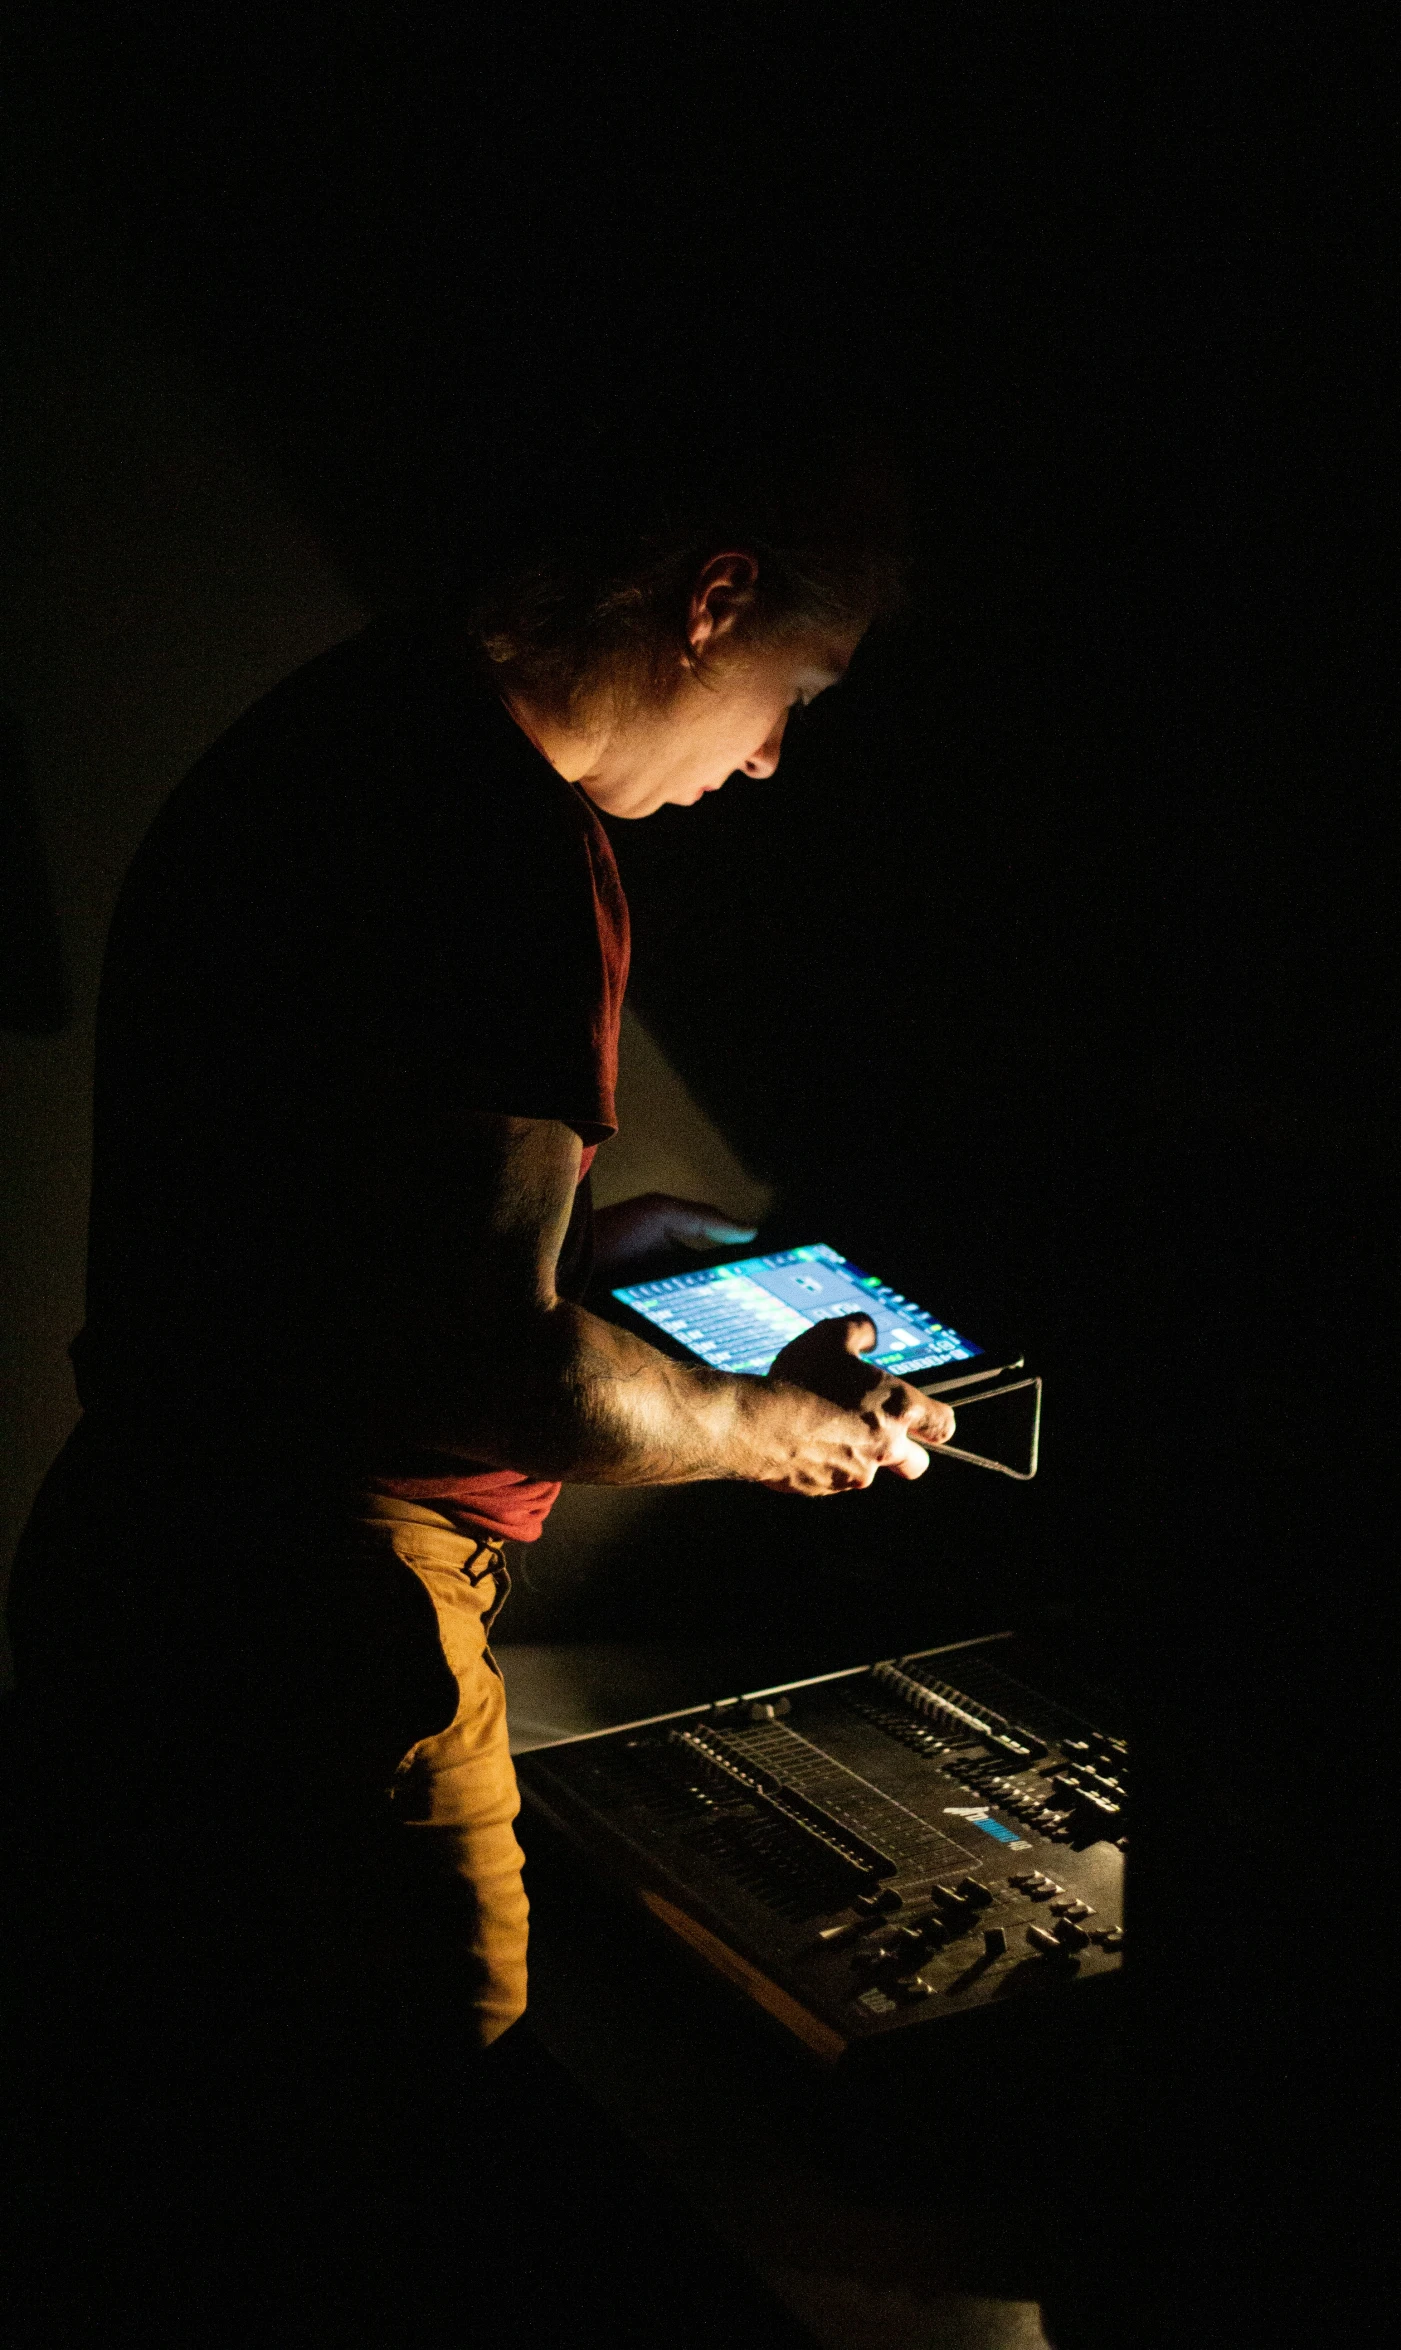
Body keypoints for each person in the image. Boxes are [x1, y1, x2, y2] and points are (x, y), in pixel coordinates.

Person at [2, 381, 955, 2342]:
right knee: (391, 2188)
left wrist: (637, 1252)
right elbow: (497, 1365)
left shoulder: (334, 737)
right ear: (714, 596)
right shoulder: (506, 845)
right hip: (326, 1646)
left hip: (129, 1566)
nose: (777, 757)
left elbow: (345, 1229)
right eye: (803, 685)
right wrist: (768, 1425)